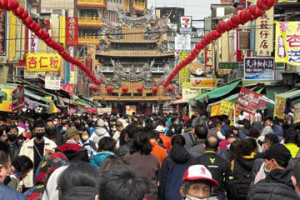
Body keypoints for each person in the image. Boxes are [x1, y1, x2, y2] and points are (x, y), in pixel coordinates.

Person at [19, 120, 57, 188]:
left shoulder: (51, 144)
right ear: (33, 131)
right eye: (38, 130)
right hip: (29, 180)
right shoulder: (26, 146)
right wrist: (20, 182)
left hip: (46, 180)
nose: (40, 132)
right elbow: (20, 164)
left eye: (42, 130)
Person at [158, 135, 196, 200]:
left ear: (171, 145)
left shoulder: (167, 160)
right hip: (187, 195)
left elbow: (162, 181)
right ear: (184, 145)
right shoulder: (193, 160)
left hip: (169, 196)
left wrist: (160, 197)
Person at [124, 132, 160, 200]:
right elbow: (157, 177)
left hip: (132, 195)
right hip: (150, 195)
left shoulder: (127, 158)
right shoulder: (154, 159)